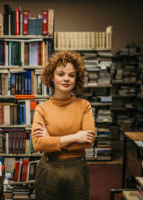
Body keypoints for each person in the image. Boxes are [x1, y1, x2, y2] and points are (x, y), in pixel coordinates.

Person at [31, 51, 96, 200]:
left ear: (76, 79)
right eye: (61, 74)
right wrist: (75, 137)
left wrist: (53, 141)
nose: (66, 79)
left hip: (77, 171)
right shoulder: (42, 108)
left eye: (71, 75)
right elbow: (38, 144)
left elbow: (87, 141)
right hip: (49, 170)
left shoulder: (84, 106)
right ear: (52, 78)